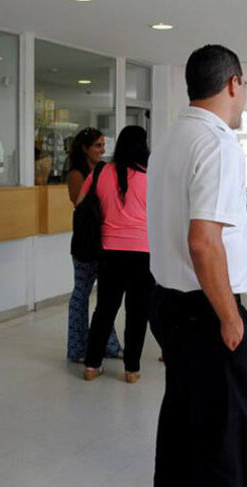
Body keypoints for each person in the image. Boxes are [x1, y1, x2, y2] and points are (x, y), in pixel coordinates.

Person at [147, 44, 247, 487]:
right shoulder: (217, 143)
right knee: (227, 440)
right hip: (208, 309)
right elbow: (203, 240)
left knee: (184, 426)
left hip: (171, 301)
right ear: (233, 83)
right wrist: (231, 318)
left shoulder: (172, 137)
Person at [81, 125, 154, 383]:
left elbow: (80, 203)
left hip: (109, 251)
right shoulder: (150, 177)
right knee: (137, 312)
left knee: (105, 309)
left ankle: (92, 365)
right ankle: (131, 369)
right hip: (142, 253)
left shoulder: (101, 172)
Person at [66, 127, 121, 363]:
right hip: (87, 242)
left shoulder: (102, 170)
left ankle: (108, 345)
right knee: (82, 293)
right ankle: (77, 348)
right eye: (97, 145)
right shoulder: (77, 174)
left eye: (103, 145)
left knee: (107, 297)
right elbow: (83, 204)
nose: (102, 150)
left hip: (104, 239)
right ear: (85, 148)